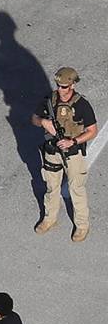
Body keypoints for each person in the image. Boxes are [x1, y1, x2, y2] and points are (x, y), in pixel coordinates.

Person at [32, 66, 99, 242]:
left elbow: (92, 131)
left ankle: (82, 226)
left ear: (73, 85)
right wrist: (44, 122)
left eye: (65, 86)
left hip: (72, 153)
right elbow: (34, 118)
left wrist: (73, 141)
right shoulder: (50, 100)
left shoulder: (81, 105)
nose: (61, 90)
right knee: (51, 186)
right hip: (52, 151)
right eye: (59, 86)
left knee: (76, 189)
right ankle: (50, 219)